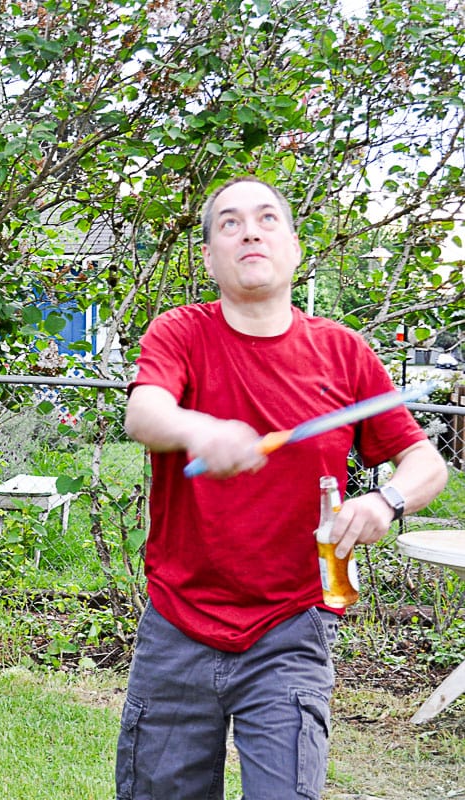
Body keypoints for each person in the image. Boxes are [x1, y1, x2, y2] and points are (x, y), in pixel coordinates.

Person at [115, 176, 448, 800]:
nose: (250, 231)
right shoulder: (180, 332)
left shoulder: (344, 353)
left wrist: (386, 501)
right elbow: (144, 415)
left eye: (268, 218)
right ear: (211, 257)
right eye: (230, 222)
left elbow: (426, 463)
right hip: (178, 623)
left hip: (292, 629)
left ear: (294, 247)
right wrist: (199, 429)